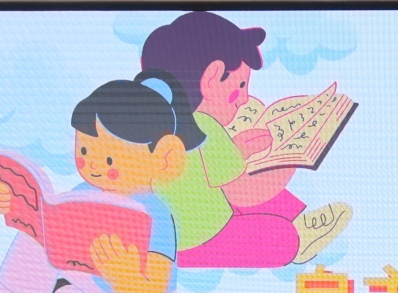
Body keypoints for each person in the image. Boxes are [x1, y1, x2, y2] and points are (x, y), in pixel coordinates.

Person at [0, 74, 186, 293]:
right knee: (37, 232)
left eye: (109, 160)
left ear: (165, 158)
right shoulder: (85, 192)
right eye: (84, 151)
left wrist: (125, 277)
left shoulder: (157, 217)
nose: (93, 166)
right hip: (89, 276)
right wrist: (13, 201)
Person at [139, 10, 351, 267]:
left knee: (251, 191)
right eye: (240, 86)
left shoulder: (157, 124)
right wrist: (289, 160)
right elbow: (241, 193)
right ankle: (297, 239)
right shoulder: (204, 126)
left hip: (175, 227)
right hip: (196, 239)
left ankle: (296, 220)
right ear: (212, 78)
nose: (244, 99)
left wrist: (237, 150)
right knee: (278, 237)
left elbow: (210, 173)